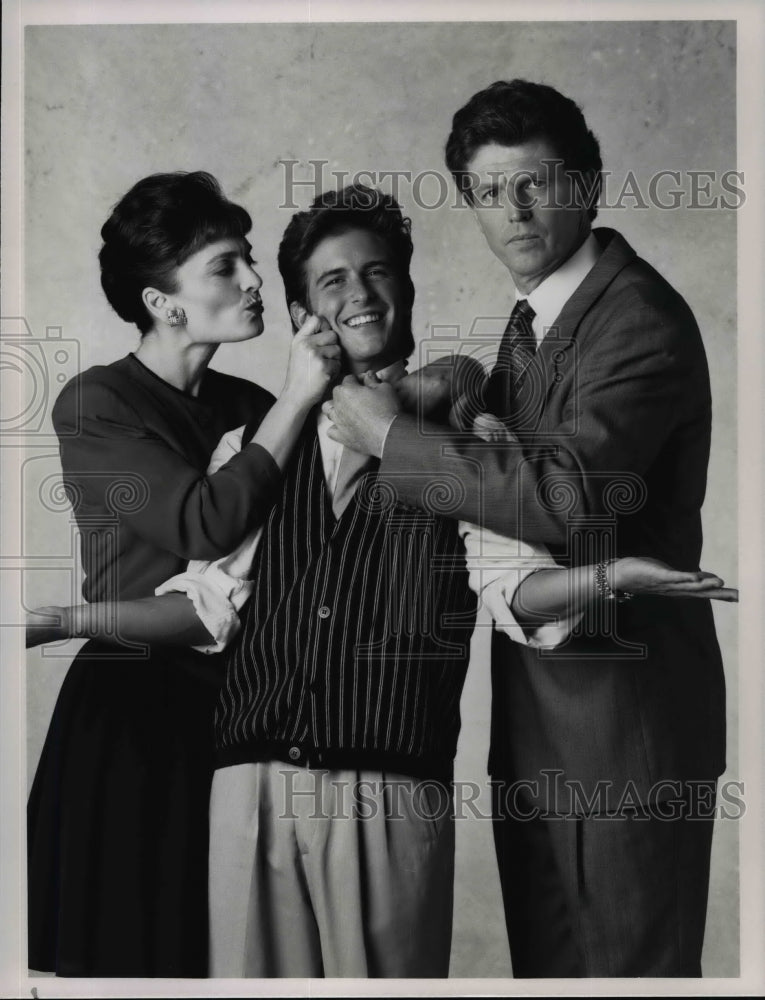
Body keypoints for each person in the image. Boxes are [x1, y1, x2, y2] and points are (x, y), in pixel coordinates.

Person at [29, 183, 734, 979]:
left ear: (407, 288)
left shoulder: (463, 436)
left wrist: (606, 577)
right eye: (331, 281)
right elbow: (208, 600)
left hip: (391, 787)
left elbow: (512, 587)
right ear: (303, 314)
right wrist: (59, 619)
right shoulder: (257, 437)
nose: (359, 294)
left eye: (377, 273)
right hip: (244, 784)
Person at [326, 82, 729, 977]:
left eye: (533, 184)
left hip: (622, 744)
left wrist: (392, 438)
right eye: (486, 191)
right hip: (538, 740)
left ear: (586, 184)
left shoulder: (637, 319)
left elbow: (561, 498)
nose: (512, 211)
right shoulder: (536, 322)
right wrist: (456, 386)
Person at [26, 171, 341, 977]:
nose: (254, 279)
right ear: (162, 303)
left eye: (248, 259)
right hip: (133, 709)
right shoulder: (98, 403)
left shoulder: (253, 405)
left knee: (230, 957)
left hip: (240, 708)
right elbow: (201, 523)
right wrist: (297, 400)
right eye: (225, 266)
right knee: (134, 956)